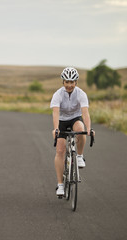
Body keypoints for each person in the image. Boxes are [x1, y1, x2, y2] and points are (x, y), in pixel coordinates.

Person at [50, 67, 95, 197]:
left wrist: (89, 128)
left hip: (75, 118)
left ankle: (79, 156)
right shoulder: (57, 94)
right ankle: (60, 185)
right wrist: (56, 128)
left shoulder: (81, 94)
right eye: (67, 82)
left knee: (81, 128)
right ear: (63, 82)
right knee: (60, 150)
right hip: (62, 121)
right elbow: (55, 113)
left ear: (76, 82)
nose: (69, 85)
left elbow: (85, 113)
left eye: (72, 82)